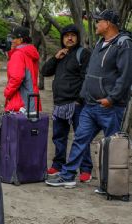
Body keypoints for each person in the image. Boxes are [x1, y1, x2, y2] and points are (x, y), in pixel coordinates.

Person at [46, 10, 132, 188]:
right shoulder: (101, 43)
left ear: (108, 23)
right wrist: (84, 96)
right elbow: (90, 75)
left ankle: (111, 185)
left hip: (110, 107)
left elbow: (125, 76)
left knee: (112, 146)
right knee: (80, 140)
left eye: (98, 21)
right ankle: (68, 175)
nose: (96, 24)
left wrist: (112, 98)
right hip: (90, 105)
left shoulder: (124, 44)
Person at [41, 24, 93, 182]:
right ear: (62, 39)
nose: (69, 38)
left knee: (81, 137)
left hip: (76, 104)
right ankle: (58, 165)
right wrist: (56, 58)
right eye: (66, 36)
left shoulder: (83, 54)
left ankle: (85, 170)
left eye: (72, 35)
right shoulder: (61, 55)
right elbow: (44, 71)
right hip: (59, 103)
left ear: (77, 38)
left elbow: (86, 77)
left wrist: (80, 100)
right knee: (58, 137)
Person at [4, 26, 40, 112]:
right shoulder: (30, 52)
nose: (12, 41)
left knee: (18, 124)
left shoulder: (18, 54)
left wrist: (7, 93)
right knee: (31, 124)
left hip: (21, 101)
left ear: (20, 39)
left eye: (14, 38)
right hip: (32, 99)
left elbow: (16, 78)